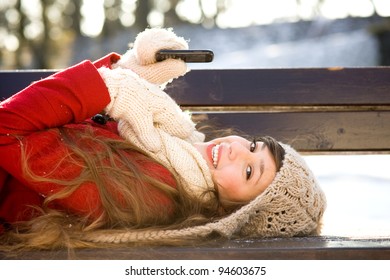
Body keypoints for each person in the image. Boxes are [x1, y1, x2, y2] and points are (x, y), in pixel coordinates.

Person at [0, 28, 326, 250]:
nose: (235, 151)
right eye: (254, 146)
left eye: (249, 172)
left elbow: (6, 128)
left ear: (236, 211)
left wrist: (112, 88)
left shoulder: (143, 193)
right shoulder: (168, 148)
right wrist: (129, 70)